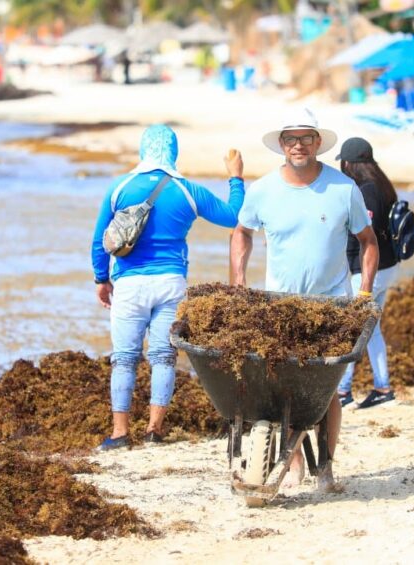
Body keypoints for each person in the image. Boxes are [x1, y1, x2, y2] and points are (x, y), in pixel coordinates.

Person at [230, 108, 379, 489]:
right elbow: (242, 231)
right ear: (282, 144)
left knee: (325, 388)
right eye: (291, 139)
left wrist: (363, 294)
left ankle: (325, 468)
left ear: (318, 143)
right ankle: (295, 465)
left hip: (331, 305)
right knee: (283, 386)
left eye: (306, 138)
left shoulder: (343, 189)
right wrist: (239, 279)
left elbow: (368, 242)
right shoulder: (263, 190)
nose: (299, 145)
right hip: (279, 305)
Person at [91, 124, 245, 451]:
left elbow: (99, 239)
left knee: (124, 359)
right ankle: (153, 430)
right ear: (174, 151)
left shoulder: (120, 187)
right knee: (163, 357)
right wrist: (235, 177)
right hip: (171, 283)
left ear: (143, 149)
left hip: (129, 284)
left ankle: (120, 433)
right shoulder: (188, 191)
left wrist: (100, 279)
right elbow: (234, 217)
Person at [334, 137, 400, 410]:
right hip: (389, 267)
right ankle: (383, 388)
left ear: (351, 164)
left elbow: (363, 237)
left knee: (351, 330)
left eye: (343, 163)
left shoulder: (367, 191)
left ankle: (342, 393)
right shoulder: (383, 185)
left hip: (369, 272)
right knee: (372, 331)